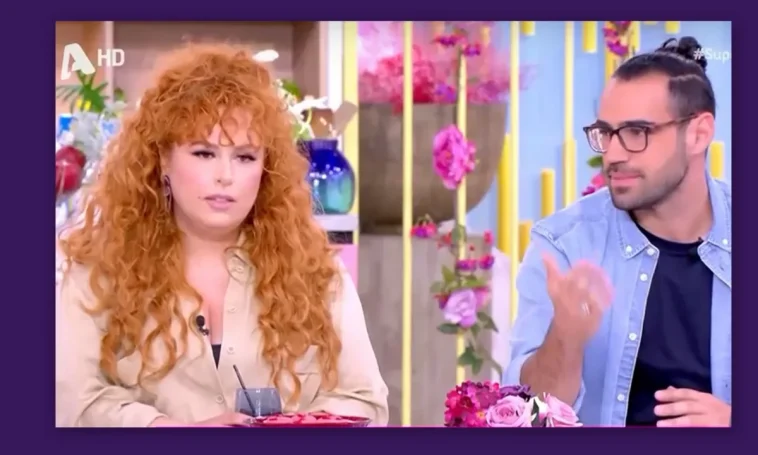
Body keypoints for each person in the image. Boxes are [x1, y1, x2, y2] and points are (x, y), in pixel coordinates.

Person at [55, 43, 389, 427]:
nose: (225, 176)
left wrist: (287, 431)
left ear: (265, 169)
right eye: (204, 153)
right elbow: (71, 402)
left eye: (245, 157)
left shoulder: (315, 271)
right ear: (163, 160)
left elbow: (366, 402)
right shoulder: (97, 269)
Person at [503, 36, 731, 427]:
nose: (613, 154)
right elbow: (529, 418)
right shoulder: (564, 245)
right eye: (606, 133)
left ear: (698, 133)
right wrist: (565, 338)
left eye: (637, 132)